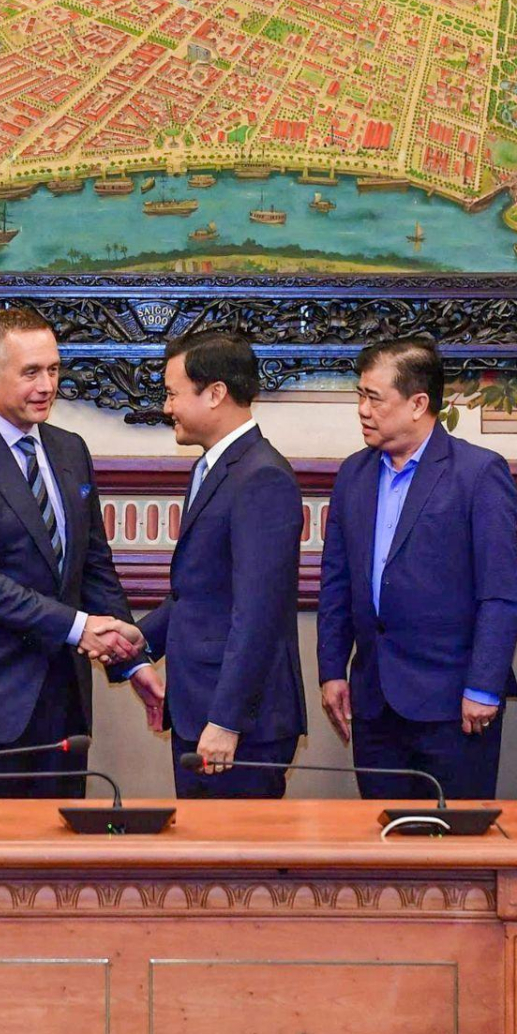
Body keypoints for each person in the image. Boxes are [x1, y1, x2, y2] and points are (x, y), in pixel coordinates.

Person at [0, 309, 153, 798]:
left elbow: (93, 564)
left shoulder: (71, 450)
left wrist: (132, 660)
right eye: (30, 373)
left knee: (60, 845)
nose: (47, 386)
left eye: (53, 369)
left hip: (63, 701)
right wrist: (80, 628)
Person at [317, 338, 517, 799]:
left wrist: (483, 687)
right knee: (381, 836)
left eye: (375, 398)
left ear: (418, 404)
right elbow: (337, 581)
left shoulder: (478, 473)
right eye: (360, 395)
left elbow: (499, 593)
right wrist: (332, 670)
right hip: (373, 703)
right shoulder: (353, 474)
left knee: (454, 835)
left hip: (453, 705)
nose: (362, 410)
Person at [135, 331, 305, 797]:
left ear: (215, 394)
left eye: (173, 394)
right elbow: (201, 589)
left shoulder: (262, 476)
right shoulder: (213, 466)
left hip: (236, 726)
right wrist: (137, 641)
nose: (167, 408)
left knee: (232, 845)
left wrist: (227, 720)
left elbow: (258, 613)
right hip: (199, 710)